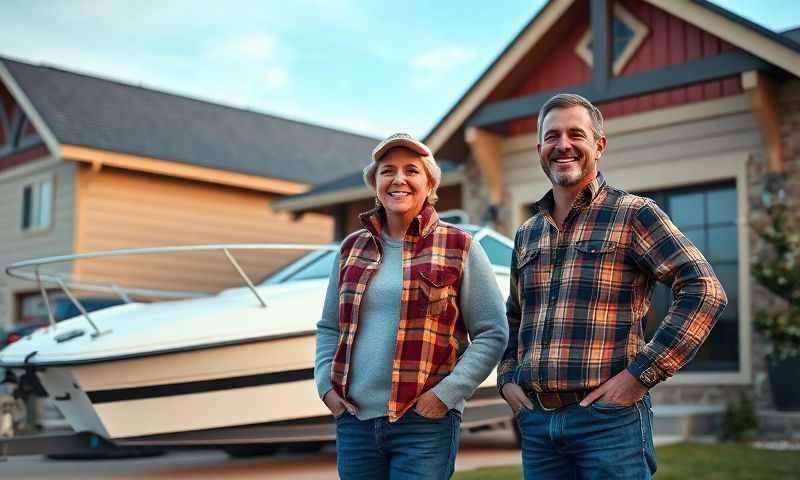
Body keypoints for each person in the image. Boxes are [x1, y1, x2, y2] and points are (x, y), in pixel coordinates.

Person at [498, 93, 728, 479]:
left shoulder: (633, 214)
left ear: (599, 145)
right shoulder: (527, 233)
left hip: (608, 423)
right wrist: (507, 378)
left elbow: (704, 290)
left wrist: (641, 375)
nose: (563, 145)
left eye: (576, 134)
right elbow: (515, 315)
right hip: (537, 425)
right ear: (540, 148)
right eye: (552, 136)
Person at [314, 132, 508, 479]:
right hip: (355, 421)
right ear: (375, 182)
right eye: (388, 170)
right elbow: (329, 327)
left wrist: (446, 395)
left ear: (430, 182)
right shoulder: (350, 249)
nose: (398, 179)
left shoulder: (460, 246)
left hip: (423, 423)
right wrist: (325, 387)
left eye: (411, 170)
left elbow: (492, 332)